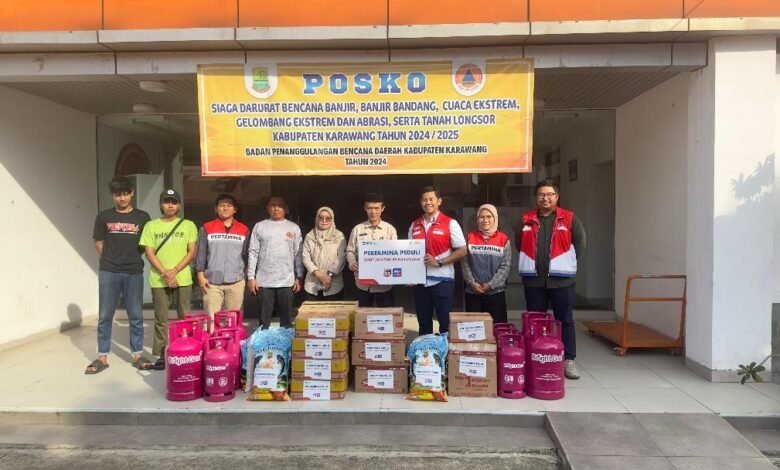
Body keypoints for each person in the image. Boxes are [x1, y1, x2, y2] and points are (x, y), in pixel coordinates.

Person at [517, 179, 586, 380]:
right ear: (536, 197)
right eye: (541, 194)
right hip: (534, 281)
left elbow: (580, 245)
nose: (545, 198)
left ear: (557, 197)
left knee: (565, 320)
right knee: (535, 322)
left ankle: (568, 360)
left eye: (549, 194)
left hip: (562, 282)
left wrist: (564, 262)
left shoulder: (570, 219)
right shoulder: (525, 219)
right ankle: (536, 357)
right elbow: (519, 244)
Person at [86, 177, 152, 374]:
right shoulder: (104, 216)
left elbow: (146, 244)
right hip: (109, 271)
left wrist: (129, 258)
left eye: (125, 194)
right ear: (113, 196)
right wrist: (110, 259)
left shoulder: (143, 217)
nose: (122, 198)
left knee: (136, 315)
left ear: (132, 193)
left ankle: (138, 355)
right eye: (117, 195)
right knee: (105, 315)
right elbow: (98, 242)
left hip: (134, 271)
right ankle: (102, 357)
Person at [140, 189, 198, 370]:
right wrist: (166, 273)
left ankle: (187, 350)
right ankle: (161, 354)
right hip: (159, 279)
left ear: (179, 205)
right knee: (160, 319)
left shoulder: (188, 225)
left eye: (174, 202)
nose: (170, 205)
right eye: (167, 202)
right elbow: (149, 252)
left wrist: (175, 271)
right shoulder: (151, 226)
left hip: (183, 278)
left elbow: (192, 252)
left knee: (185, 317)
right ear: (161, 204)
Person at [408, 186, 467, 335]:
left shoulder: (450, 223)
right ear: (420, 203)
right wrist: (408, 276)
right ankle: (426, 350)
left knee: (445, 324)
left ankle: (444, 350)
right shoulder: (414, 225)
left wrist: (439, 262)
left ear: (439, 201)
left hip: (443, 281)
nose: (428, 202)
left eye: (431, 199)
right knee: (423, 323)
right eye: (424, 200)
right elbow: (408, 254)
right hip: (421, 283)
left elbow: (462, 250)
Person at [247, 196, 303, 329]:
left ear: (286, 208)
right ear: (268, 208)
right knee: (263, 323)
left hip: (287, 280)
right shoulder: (260, 226)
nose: (276, 208)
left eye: (280, 205)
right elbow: (253, 252)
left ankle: (285, 342)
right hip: (264, 281)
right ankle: (263, 342)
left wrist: (299, 276)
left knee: (287, 323)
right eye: (273, 205)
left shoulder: (293, 228)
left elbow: (298, 254)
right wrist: (251, 277)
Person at [195, 194, 249, 327]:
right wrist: (200, 275)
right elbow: (201, 253)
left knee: (233, 321)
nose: (225, 208)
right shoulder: (207, 228)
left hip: (236, 281)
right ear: (216, 208)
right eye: (222, 205)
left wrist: (246, 276)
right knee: (211, 321)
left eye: (229, 205)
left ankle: (231, 341)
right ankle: (212, 340)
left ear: (235, 209)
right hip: (212, 282)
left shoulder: (244, 229)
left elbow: (247, 254)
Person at [346, 193, 398, 307]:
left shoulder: (390, 230)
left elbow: (395, 254)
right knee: (363, 315)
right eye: (370, 208)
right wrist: (352, 263)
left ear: (382, 208)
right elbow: (350, 251)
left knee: (385, 315)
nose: (373, 212)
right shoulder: (357, 229)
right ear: (365, 208)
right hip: (363, 284)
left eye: (376, 208)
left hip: (384, 284)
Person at [462, 204, 511, 324]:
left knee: (497, 329)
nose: (485, 220)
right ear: (477, 219)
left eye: (489, 216)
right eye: (482, 217)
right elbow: (464, 262)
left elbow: (505, 266)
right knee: (474, 329)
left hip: (496, 293)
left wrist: (491, 284)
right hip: (473, 292)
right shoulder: (469, 238)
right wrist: (472, 283)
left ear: (495, 218)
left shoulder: (504, 239)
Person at [302, 207, 347, 301]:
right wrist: (319, 275)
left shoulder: (339, 236)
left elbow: (341, 258)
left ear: (332, 219)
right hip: (312, 285)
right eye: (321, 217)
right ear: (316, 218)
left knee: (334, 311)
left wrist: (328, 277)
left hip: (334, 285)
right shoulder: (310, 236)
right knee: (312, 310)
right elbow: (306, 258)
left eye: (327, 218)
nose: (324, 220)